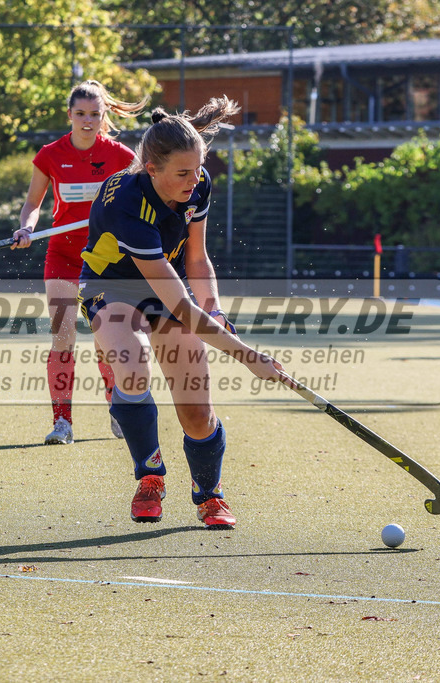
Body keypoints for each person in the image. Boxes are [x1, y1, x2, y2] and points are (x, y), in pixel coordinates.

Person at [78, 96, 289, 530]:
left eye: (198, 169)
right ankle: (150, 476)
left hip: (167, 278)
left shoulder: (198, 185)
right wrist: (250, 357)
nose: (194, 180)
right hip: (111, 285)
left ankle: (209, 494)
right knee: (132, 366)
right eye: (183, 173)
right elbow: (179, 305)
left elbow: (196, 259)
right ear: (151, 168)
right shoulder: (125, 204)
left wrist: (215, 309)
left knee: (195, 409)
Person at [11, 80, 147, 445]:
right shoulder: (50, 155)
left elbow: (139, 199)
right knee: (63, 335)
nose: (87, 121)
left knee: (107, 340)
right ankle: (62, 423)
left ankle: (117, 407)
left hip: (106, 260)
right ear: (69, 114)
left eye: (95, 114)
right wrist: (26, 227)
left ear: (105, 116)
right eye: (81, 114)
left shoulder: (121, 156)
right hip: (63, 255)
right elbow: (33, 204)